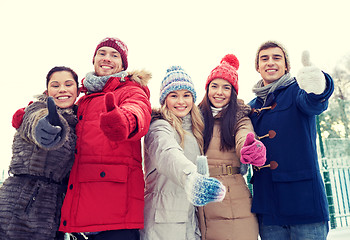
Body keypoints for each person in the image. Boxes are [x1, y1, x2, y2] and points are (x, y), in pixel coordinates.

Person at [59, 37, 152, 240]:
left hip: (115, 214)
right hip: (81, 213)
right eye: (102, 53)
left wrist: (123, 122)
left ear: (123, 65)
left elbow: (138, 111)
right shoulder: (82, 99)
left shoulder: (131, 90)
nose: (107, 58)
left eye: (114, 55)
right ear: (94, 60)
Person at [248, 41, 334, 240]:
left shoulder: (298, 91)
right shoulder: (251, 107)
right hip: (269, 209)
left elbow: (314, 103)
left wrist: (318, 86)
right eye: (264, 58)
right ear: (257, 67)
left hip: (304, 205)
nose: (270, 62)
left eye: (277, 58)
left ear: (286, 65)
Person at [140, 66, 226, 240]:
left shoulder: (194, 130)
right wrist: (190, 177)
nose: (181, 101)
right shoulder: (159, 127)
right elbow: (168, 154)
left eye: (186, 95)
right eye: (174, 95)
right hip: (162, 222)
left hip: (188, 220)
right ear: (165, 99)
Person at [0, 66, 79, 240]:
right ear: (47, 90)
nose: (62, 90)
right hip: (22, 203)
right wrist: (46, 128)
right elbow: (34, 123)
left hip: (53, 209)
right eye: (55, 85)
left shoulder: (76, 122)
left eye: (68, 84)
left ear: (77, 90)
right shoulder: (36, 109)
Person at [197, 54, 266, 240]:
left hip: (233, 198)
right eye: (214, 86)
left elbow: (244, 135)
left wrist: (249, 147)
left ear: (233, 92)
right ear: (207, 89)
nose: (219, 92)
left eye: (226, 87)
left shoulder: (239, 117)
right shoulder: (196, 118)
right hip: (200, 199)